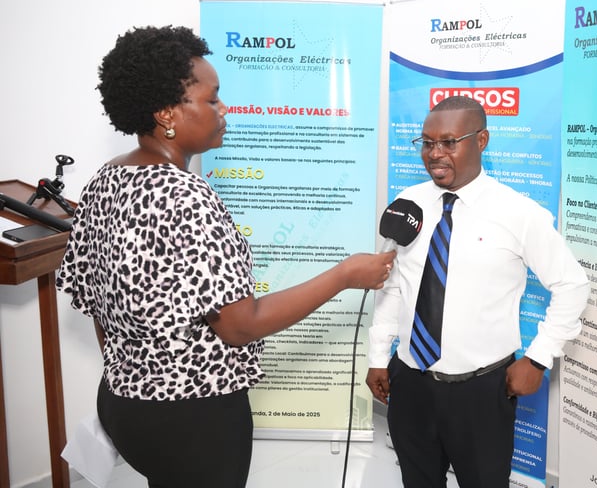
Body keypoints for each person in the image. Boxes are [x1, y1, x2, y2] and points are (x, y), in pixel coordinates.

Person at [56, 25, 395, 488]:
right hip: (193, 418)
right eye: (212, 99)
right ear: (166, 113)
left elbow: (97, 306)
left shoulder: (105, 180)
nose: (223, 109)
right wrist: (343, 275)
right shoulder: (186, 196)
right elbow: (239, 325)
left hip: (124, 405)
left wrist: (136, 376)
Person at [366, 95, 589, 488]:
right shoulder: (408, 204)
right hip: (411, 382)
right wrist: (378, 356)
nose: (435, 153)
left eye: (449, 142)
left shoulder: (518, 213)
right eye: (427, 142)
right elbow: (394, 285)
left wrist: (538, 358)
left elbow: (572, 285)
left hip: (481, 392)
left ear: (481, 140)